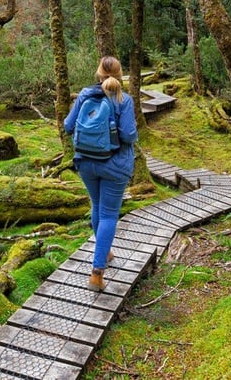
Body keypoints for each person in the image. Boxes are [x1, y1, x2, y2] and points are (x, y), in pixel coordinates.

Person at [63, 55, 138, 291]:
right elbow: (128, 135)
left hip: (86, 161)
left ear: (98, 73)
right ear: (119, 74)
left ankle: (104, 253)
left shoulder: (85, 94)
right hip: (115, 164)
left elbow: (67, 126)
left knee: (97, 207)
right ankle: (96, 273)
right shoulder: (124, 100)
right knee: (108, 215)